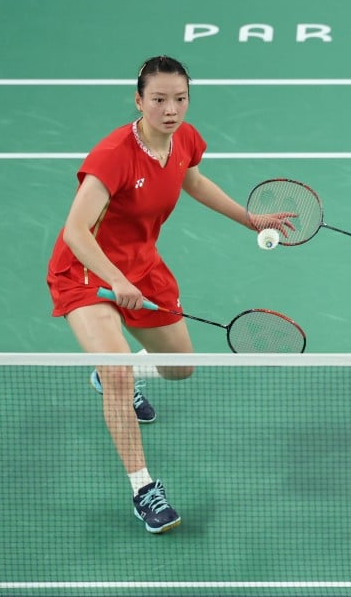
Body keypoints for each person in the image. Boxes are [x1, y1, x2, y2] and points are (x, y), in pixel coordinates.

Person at [46, 56, 292, 534]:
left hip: (144, 267)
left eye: (180, 99)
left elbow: (193, 180)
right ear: (139, 101)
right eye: (159, 99)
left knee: (180, 368)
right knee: (118, 374)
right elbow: (76, 230)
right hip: (87, 274)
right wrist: (115, 280)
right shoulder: (113, 155)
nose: (171, 109)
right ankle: (143, 488)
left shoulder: (184, 139)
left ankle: (112, 372)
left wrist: (250, 218)